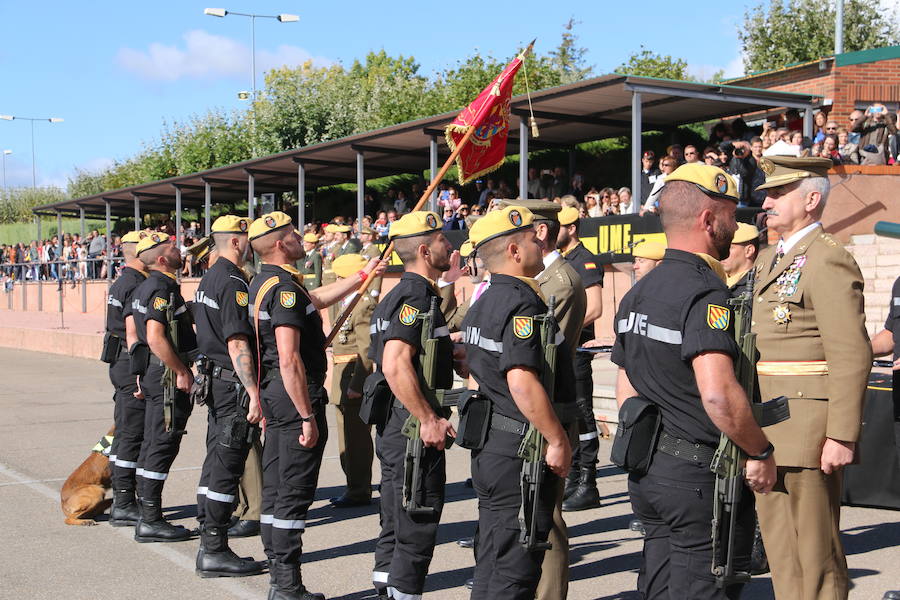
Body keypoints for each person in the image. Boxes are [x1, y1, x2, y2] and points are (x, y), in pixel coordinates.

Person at [612, 163, 776, 599]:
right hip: (696, 479)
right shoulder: (706, 293)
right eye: (728, 215)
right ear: (707, 220)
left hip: (649, 470)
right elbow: (719, 395)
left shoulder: (638, 291)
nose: (734, 226)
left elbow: (625, 383)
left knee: (661, 585)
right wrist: (759, 450)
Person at [752, 156, 871, 600]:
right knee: (783, 551)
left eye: (779, 193)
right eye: (768, 192)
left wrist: (842, 434)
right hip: (766, 423)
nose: (767, 201)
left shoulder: (827, 259)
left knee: (816, 554)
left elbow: (850, 352)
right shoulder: (768, 258)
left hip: (808, 428)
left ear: (812, 199)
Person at [247, 212, 383, 600]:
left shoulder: (270, 282)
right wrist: (307, 414)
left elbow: (316, 300)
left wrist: (360, 277)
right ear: (277, 243)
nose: (299, 238)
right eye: (291, 234)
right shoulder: (285, 289)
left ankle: (279, 576)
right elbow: (289, 358)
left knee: (276, 490)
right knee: (292, 492)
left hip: (276, 393)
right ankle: (287, 586)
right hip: (293, 397)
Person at [461, 205, 575, 599]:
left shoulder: (483, 302)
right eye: (531, 237)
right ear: (513, 250)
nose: (540, 241)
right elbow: (522, 379)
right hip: (518, 450)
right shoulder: (523, 304)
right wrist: (557, 439)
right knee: (515, 571)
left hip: (494, 445)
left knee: (494, 557)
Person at [368, 211, 455, 600]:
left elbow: (410, 355)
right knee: (417, 520)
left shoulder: (400, 293)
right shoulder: (415, 295)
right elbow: (395, 363)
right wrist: (429, 418)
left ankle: (387, 587)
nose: (449, 245)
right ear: (423, 249)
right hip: (410, 429)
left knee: (396, 519)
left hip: (394, 425)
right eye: (441, 240)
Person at [191, 216, 267, 578]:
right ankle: (215, 549)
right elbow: (237, 341)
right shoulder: (234, 281)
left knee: (215, 462)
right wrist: (254, 391)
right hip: (231, 383)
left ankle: (209, 536)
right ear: (237, 242)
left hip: (214, 381)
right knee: (227, 466)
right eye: (247, 239)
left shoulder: (209, 276)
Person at [522, 200, 585, 600]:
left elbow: (538, 353)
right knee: (527, 506)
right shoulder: (533, 280)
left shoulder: (559, 282)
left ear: (540, 233)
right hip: (528, 404)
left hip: (549, 408)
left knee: (548, 512)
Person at [131, 232, 198, 542]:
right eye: (172, 247)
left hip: (154, 374)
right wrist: (181, 371)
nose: (179, 249)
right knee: (162, 445)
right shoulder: (160, 288)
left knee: (154, 445)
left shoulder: (145, 286)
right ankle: (150, 519)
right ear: (161, 259)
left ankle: (148, 514)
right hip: (166, 378)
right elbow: (156, 336)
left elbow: (134, 331)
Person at [557, 203, 604, 511]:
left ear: (571, 229)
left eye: (558, 226)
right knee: (568, 416)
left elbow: (596, 307)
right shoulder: (560, 261)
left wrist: (566, 330)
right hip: (563, 348)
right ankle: (573, 479)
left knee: (583, 415)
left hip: (576, 349)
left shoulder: (584, 260)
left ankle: (588, 483)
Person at [105, 230, 150, 528]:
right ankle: (123, 502)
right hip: (129, 362)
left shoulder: (123, 280)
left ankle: (124, 499)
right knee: (130, 434)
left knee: (125, 430)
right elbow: (133, 333)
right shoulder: (134, 284)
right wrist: (138, 373)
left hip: (120, 361)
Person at [328, 254, 378, 508]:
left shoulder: (364, 304)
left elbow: (367, 349)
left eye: (339, 276)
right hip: (341, 373)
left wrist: (358, 384)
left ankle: (359, 489)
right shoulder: (349, 300)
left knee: (356, 439)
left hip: (353, 377)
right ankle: (353, 485)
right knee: (345, 437)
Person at [721, 223, 760, 296]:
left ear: (749, 251)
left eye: (729, 247)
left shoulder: (758, 286)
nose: (723, 252)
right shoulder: (715, 280)